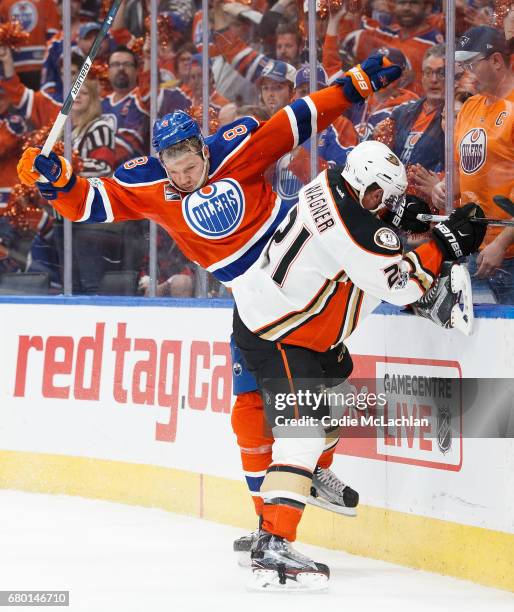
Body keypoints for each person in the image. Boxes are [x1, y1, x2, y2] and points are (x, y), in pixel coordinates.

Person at [231, 140, 486, 589]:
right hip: (279, 334)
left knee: (334, 403)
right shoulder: (354, 229)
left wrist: (392, 214)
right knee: (302, 436)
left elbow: (362, 233)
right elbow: (399, 282)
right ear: (368, 191)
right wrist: (444, 244)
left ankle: (310, 475)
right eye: (384, 200)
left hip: (287, 318)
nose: (386, 207)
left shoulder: (328, 183)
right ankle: (271, 544)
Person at [17, 54, 402, 288]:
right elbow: (84, 204)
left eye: (191, 166)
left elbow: (295, 120)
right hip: (247, 288)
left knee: (330, 194)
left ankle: (408, 263)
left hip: (290, 243)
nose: (185, 177)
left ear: (205, 149)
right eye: (175, 171)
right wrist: (58, 180)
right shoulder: (146, 181)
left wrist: (353, 87)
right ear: (160, 163)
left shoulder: (232, 149)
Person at [431, 26, 514, 303]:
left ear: (496, 61)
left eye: (471, 64)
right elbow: (461, 169)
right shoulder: (469, 107)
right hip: (471, 246)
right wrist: (445, 187)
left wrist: (502, 242)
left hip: (508, 253)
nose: (466, 73)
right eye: (462, 65)